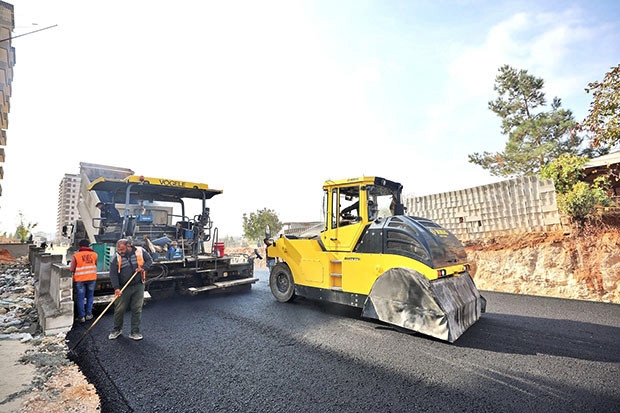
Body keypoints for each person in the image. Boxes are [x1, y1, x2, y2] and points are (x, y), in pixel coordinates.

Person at [108, 238, 153, 341]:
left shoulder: (140, 251)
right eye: (118, 250)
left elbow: (149, 260)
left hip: (138, 285)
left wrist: (143, 268)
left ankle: (135, 332)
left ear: (129, 246)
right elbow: (113, 274)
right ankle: (117, 330)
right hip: (123, 287)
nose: (120, 252)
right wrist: (116, 288)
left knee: (137, 309)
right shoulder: (116, 258)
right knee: (119, 309)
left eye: (122, 249)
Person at [69, 239, 98, 323]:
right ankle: (89, 314)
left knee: (80, 298)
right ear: (89, 246)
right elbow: (95, 265)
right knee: (90, 296)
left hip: (80, 279)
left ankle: (81, 316)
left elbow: (71, 269)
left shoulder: (76, 256)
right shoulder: (95, 255)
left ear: (80, 246)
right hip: (92, 278)